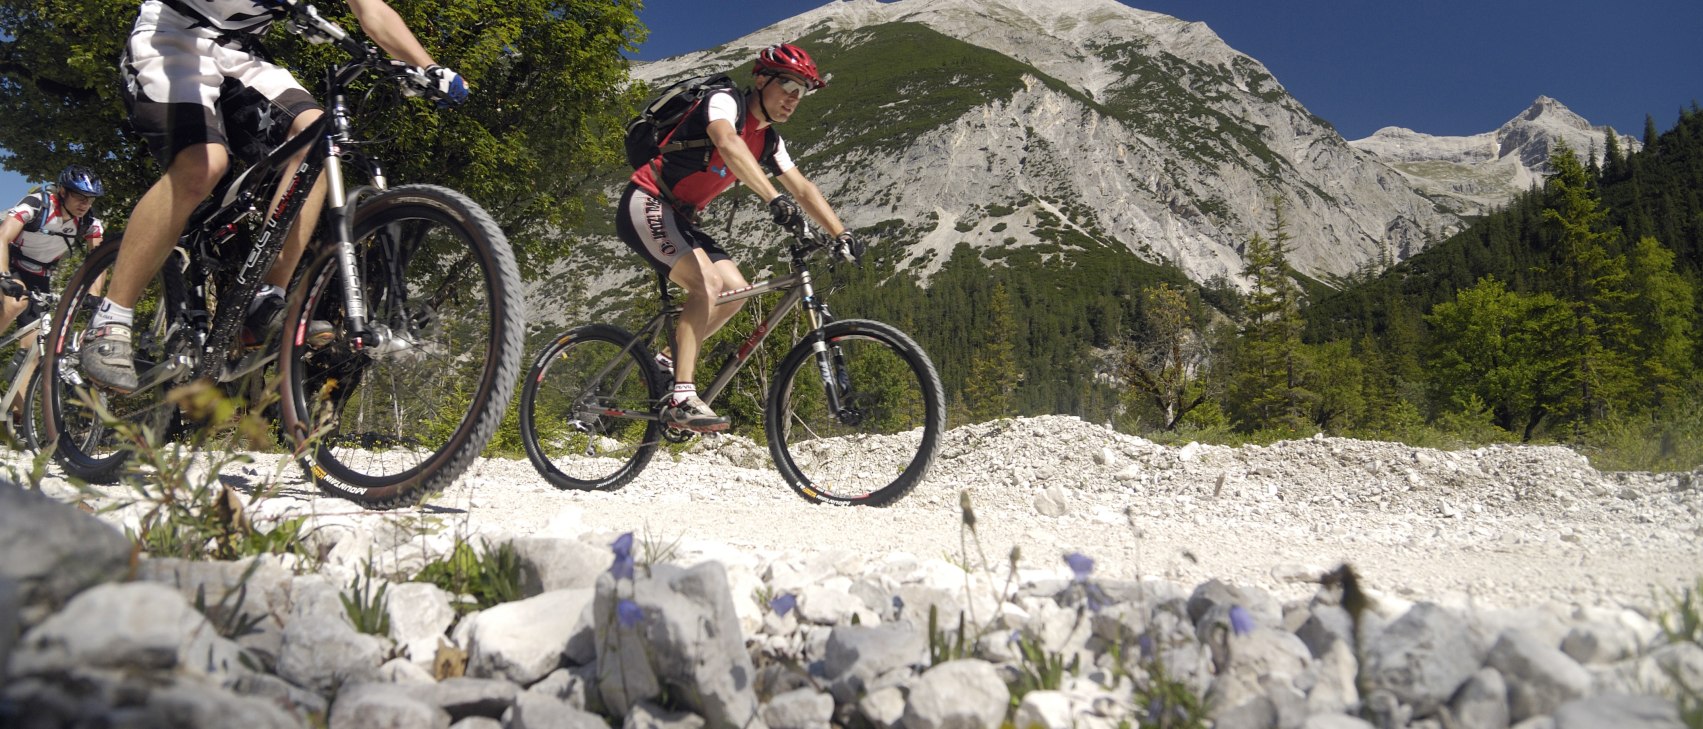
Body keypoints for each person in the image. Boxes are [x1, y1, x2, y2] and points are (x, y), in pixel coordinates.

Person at [80, 0, 467, 392]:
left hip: (240, 53)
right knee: (203, 165)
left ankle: (264, 301)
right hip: (171, 38)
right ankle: (110, 319)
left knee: (317, 136)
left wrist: (429, 67)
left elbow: (373, 11)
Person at [616, 42, 862, 432]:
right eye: (788, 86)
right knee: (707, 285)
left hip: (681, 217)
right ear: (761, 80)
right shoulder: (725, 101)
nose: (794, 99)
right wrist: (772, 198)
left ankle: (665, 362)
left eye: (802, 92)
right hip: (647, 200)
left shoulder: (769, 140)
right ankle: (682, 395)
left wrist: (841, 233)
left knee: (736, 291)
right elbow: (727, 143)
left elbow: (803, 188)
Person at [0, 165, 107, 340]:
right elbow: (2, 237)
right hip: (9, 264)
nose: (85, 204)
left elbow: (99, 259)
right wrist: (4, 276)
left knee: (37, 344)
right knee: (15, 304)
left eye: (90, 199)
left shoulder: (89, 223)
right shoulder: (36, 204)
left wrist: (94, 295)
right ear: (63, 192)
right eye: (80, 196)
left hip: (40, 277)